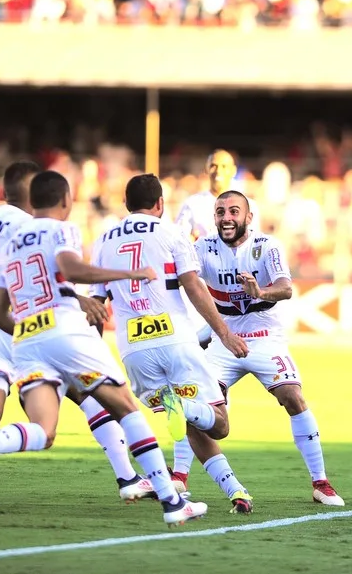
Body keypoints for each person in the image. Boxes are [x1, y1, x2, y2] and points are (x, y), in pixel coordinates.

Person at [0, 171, 208, 526]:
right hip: (66, 333)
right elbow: (71, 267)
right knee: (126, 408)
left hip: (28, 342)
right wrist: (128, 274)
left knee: (44, 429)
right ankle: (172, 502)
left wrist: (29, 332)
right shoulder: (63, 230)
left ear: (32, 202)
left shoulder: (12, 242)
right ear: (65, 200)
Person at [0, 162, 157, 503]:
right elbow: (43, 274)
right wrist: (76, 299)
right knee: (92, 395)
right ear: (33, 189)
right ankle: (128, 477)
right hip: (24, 325)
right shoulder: (32, 226)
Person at [90, 173, 256, 513]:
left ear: (126, 204)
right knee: (218, 422)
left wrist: (93, 357)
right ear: (160, 204)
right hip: (175, 340)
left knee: (190, 425)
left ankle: (236, 491)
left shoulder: (103, 239)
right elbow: (193, 287)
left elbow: (96, 305)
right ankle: (182, 408)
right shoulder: (171, 232)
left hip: (133, 349)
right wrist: (224, 332)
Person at [171, 190, 344, 506]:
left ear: (248, 217)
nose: (226, 217)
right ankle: (179, 478)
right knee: (196, 403)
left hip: (265, 337)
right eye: (220, 211)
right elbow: (184, 277)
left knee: (293, 397)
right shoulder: (203, 248)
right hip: (224, 340)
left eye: (234, 211)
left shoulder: (267, 246)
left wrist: (260, 291)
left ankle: (321, 483)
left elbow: (286, 288)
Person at [175, 149, 260, 241]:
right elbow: (179, 240)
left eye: (224, 166)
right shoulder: (192, 204)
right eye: (213, 166)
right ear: (206, 169)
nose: (218, 171)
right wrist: (191, 241)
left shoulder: (249, 206)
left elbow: (254, 243)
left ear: (233, 171)